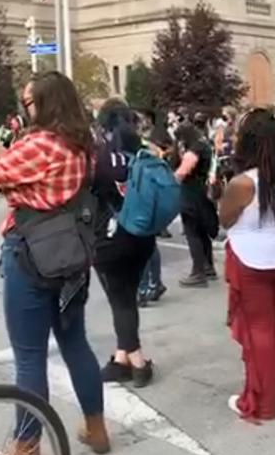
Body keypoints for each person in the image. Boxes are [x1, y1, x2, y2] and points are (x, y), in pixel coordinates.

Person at [0, 72, 110, 455]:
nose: (25, 108)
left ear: (46, 101)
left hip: (31, 257)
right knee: (76, 344)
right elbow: (20, 167)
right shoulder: (82, 144)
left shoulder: (40, 143)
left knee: (29, 356)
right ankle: (96, 428)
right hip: (70, 256)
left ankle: (26, 447)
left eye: (29, 101)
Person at [220, 108, 275, 421]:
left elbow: (225, 218)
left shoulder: (243, 183)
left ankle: (261, 402)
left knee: (259, 329)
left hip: (255, 259)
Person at [91, 99, 158, 388]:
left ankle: (138, 362)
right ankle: (122, 358)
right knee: (126, 298)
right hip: (142, 234)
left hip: (110, 236)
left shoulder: (98, 157)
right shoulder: (144, 151)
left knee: (120, 301)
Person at [174, 118, 217, 287]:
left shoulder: (194, 149)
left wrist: (172, 181)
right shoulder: (204, 144)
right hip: (201, 191)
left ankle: (198, 272)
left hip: (190, 192)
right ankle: (208, 267)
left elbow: (184, 169)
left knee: (192, 232)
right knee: (202, 230)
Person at [138, 128, 176, 304]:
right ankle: (155, 283)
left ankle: (144, 287)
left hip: (143, 200)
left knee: (141, 245)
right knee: (149, 244)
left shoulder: (142, 149)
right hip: (152, 200)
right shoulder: (151, 150)